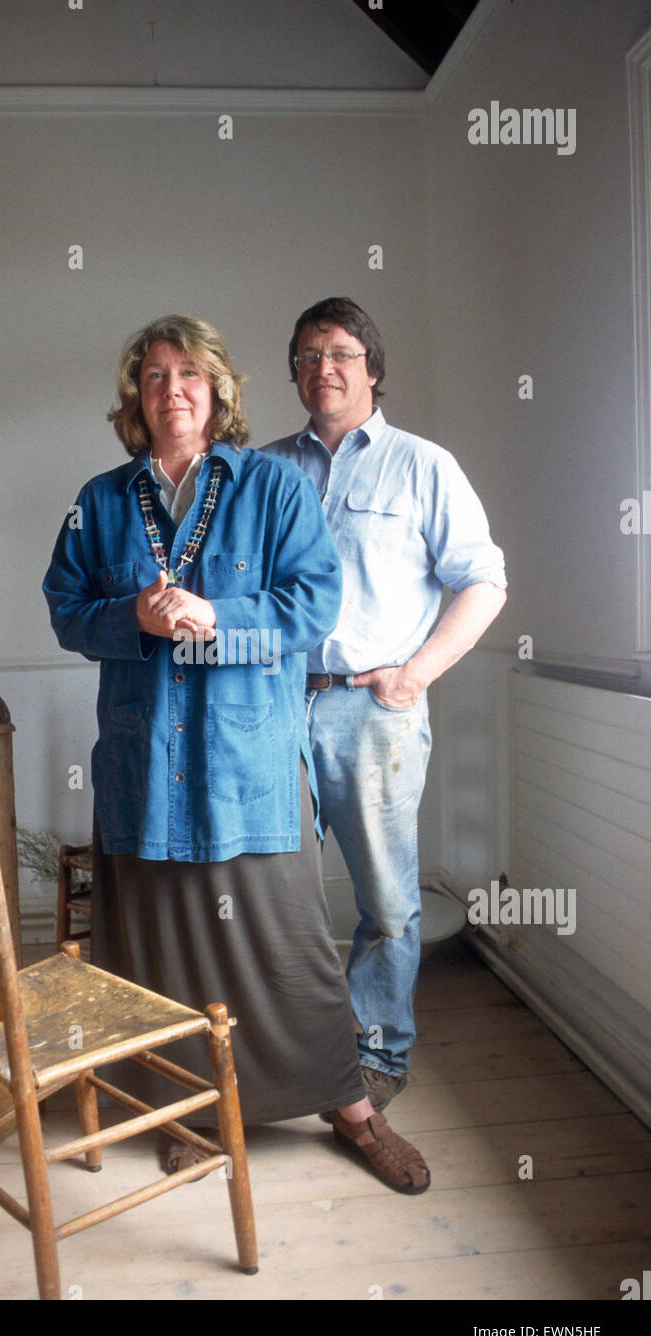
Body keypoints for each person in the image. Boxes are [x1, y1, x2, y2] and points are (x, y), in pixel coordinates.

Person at [42, 313, 430, 1194]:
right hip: (144, 770)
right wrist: (128, 620)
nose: (171, 390)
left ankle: (350, 1108)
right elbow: (65, 610)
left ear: (217, 391)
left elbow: (311, 608)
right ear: (134, 400)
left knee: (288, 947)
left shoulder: (271, 488)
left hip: (248, 766)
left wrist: (220, 618)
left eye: (188, 374)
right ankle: (190, 1108)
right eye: (152, 377)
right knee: (161, 954)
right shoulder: (100, 500)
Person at [266, 297, 507, 1114]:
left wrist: (417, 674)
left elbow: (484, 579)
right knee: (272, 890)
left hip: (374, 714)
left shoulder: (423, 466)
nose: (321, 368)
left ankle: (376, 1052)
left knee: (388, 900)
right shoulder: (266, 470)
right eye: (305, 356)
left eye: (338, 352)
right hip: (270, 711)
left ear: (372, 367)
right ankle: (290, 1055)